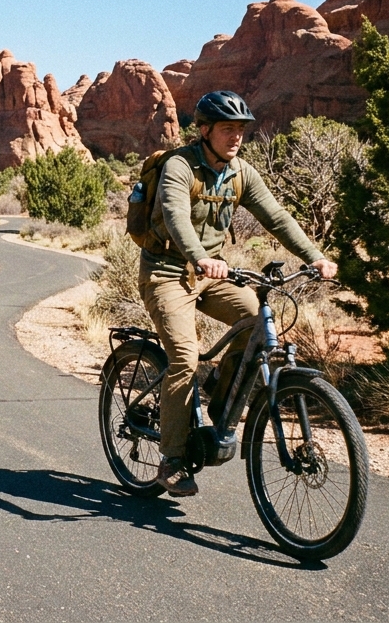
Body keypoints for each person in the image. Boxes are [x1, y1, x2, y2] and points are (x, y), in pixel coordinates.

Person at [141, 90, 338, 497]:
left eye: (241, 130)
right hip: (167, 271)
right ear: (205, 130)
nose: (236, 137)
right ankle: (172, 459)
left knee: (256, 322)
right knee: (184, 357)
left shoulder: (240, 173)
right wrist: (199, 257)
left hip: (211, 274)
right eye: (228, 129)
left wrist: (315, 256)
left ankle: (219, 397)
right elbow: (176, 217)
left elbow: (277, 217)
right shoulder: (180, 166)